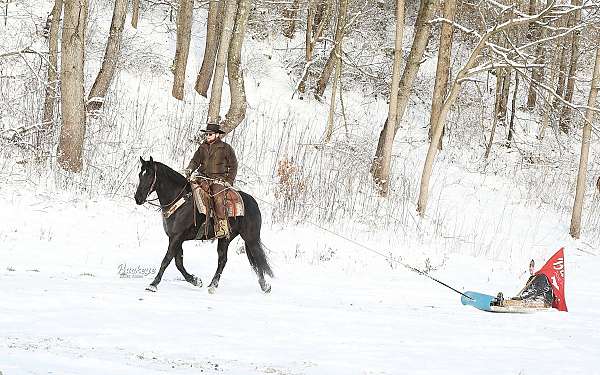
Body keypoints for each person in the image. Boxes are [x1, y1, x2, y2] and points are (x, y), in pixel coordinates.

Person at [182, 122, 238, 238]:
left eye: (210, 134)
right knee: (189, 191)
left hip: (218, 179)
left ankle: (222, 226)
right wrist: (189, 170)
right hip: (202, 177)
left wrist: (229, 180)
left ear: (217, 135)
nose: (207, 136)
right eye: (207, 134)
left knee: (218, 197)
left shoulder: (226, 148)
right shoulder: (202, 147)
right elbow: (195, 161)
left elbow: (233, 165)